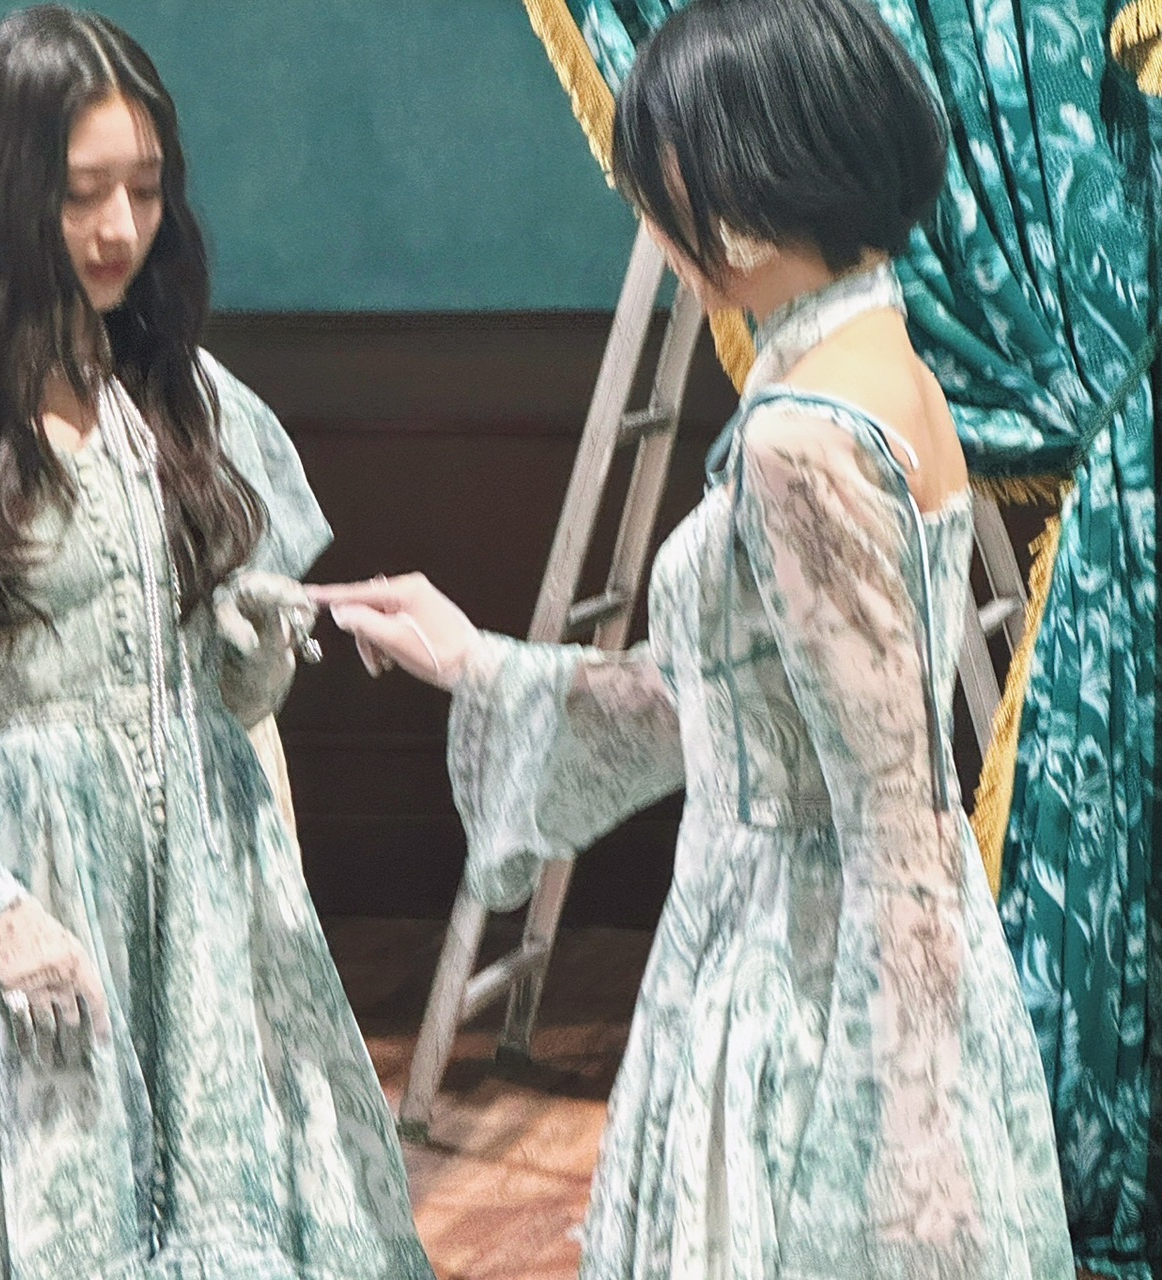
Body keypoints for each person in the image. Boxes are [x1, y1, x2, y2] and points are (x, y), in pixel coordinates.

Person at [310, 0, 1077, 1275]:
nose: (655, 223)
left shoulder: (800, 438)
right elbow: (727, 703)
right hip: (791, 934)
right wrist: (475, 659)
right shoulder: (869, 356)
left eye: (661, 182)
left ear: (742, 176)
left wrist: (913, 1136)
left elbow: (889, 815)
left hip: (800, 968)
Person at [0, 8, 433, 1278]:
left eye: (144, 188)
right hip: (16, 920)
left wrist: (252, 649)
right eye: (80, 194)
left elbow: (227, 704)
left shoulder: (187, 397)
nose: (121, 228)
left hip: (206, 914)